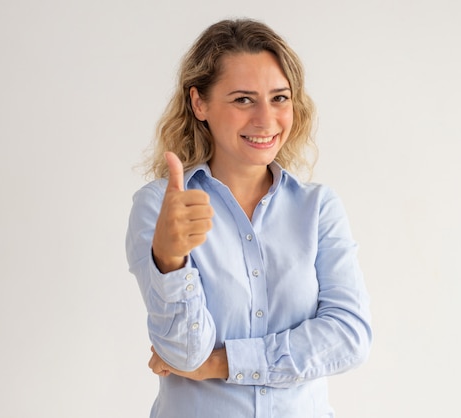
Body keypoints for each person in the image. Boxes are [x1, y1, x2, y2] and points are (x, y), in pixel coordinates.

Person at [125, 18, 372, 418]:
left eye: (279, 98)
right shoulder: (162, 207)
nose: (265, 119)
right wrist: (170, 263)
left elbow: (349, 337)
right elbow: (184, 353)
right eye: (243, 99)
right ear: (199, 103)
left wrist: (222, 363)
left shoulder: (319, 208)